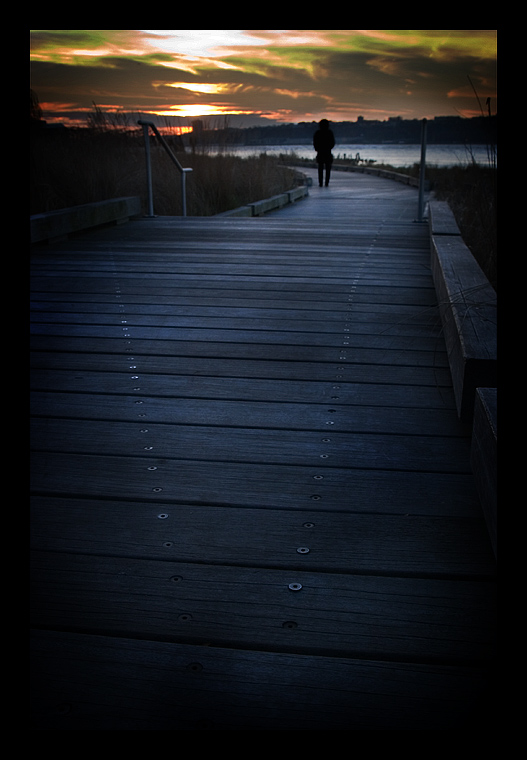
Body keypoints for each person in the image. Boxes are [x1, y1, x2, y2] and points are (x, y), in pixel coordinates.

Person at [313, 119, 335, 186]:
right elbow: (333, 142)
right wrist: (329, 148)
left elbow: (315, 142)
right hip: (328, 152)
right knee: (328, 169)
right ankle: (326, 182)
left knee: (320, 168)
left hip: (320, 153)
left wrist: (317, 149)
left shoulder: (317, 133)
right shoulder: (329, 133)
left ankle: (321, 182)